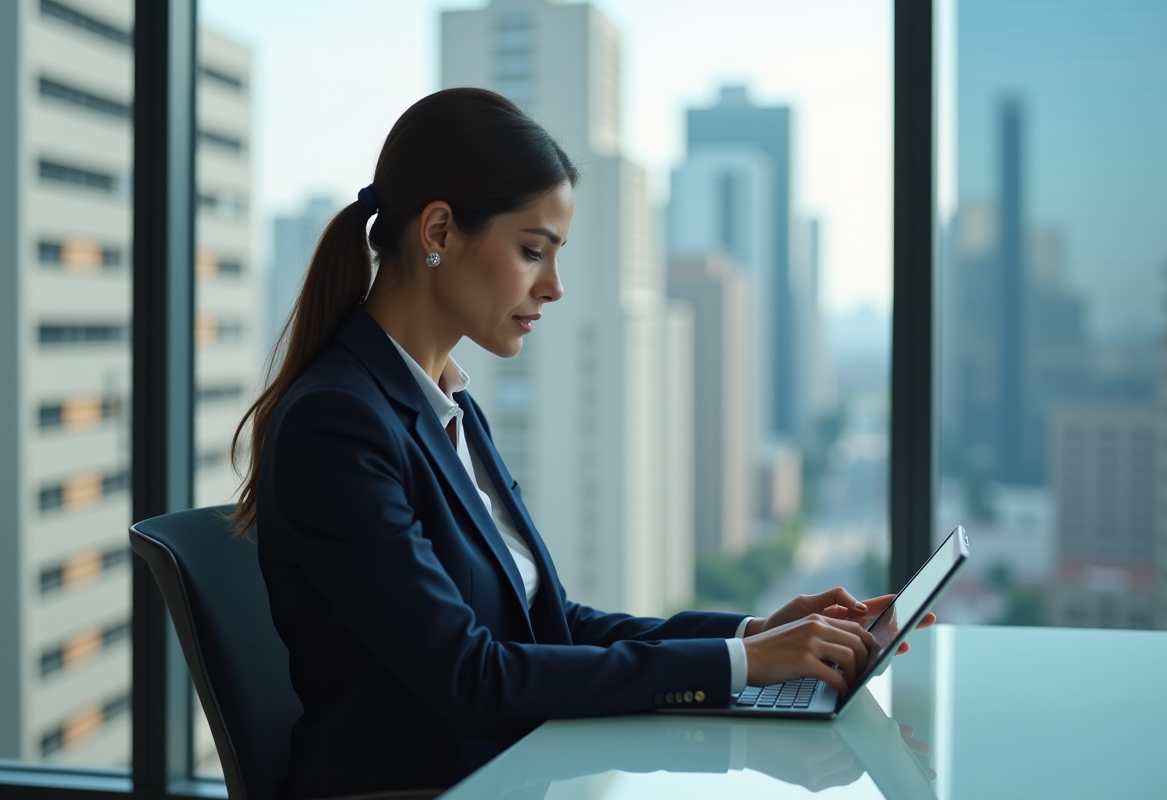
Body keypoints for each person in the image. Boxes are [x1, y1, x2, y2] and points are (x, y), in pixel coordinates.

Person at [232, 87, 932, 799]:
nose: (555, 287)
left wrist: (756, 633)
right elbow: (474, 678)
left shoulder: (449, 407)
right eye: (534, 251)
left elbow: (553, 625)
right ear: (438, 232)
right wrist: (744, 664)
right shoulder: (338, 425)